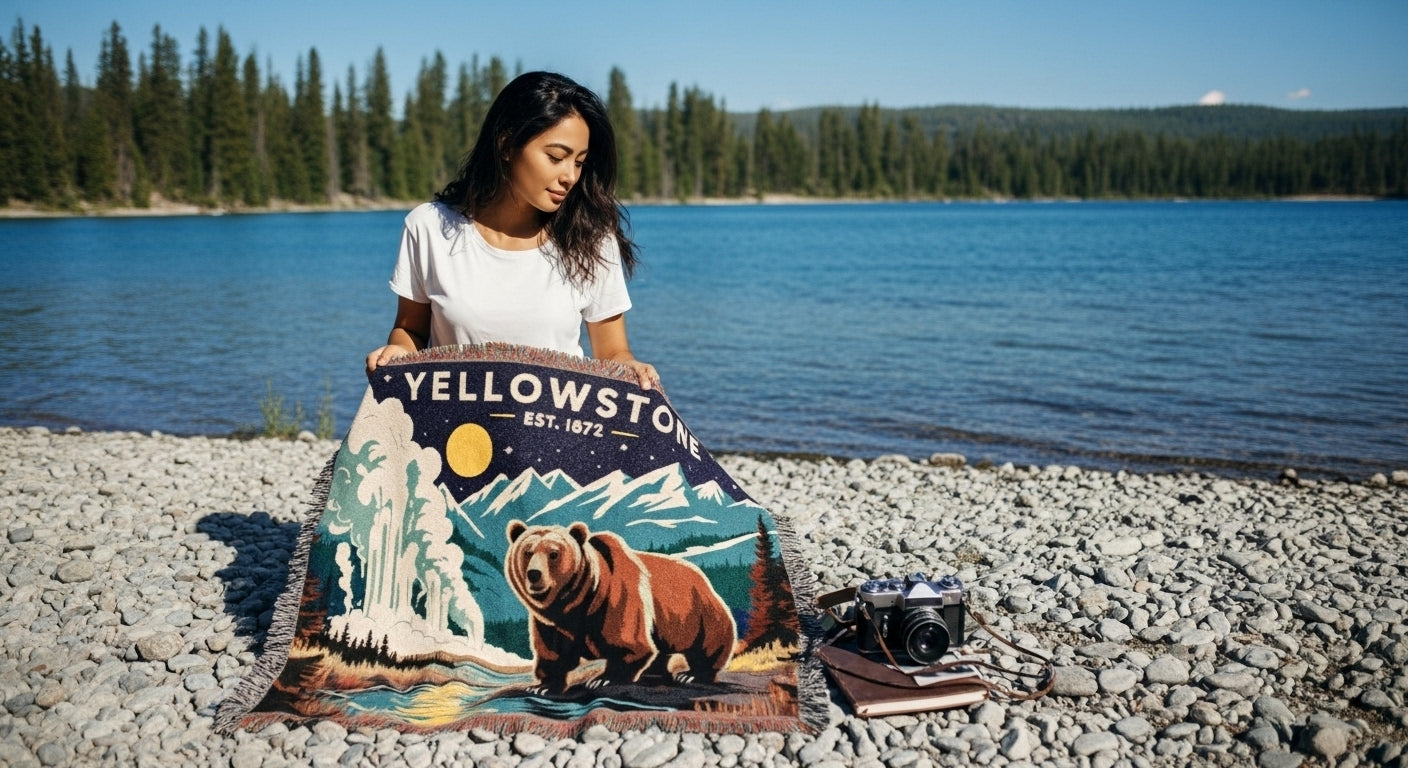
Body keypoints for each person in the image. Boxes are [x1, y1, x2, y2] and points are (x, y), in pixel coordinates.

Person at [366, 71, 658, 390]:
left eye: (579, 162)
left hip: (554, 420)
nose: (570, 176)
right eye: (556, 157)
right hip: (453, 421)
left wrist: (631, 367)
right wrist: (399, 351)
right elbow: (411, 330)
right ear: (506, 145)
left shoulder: (592, 239)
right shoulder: (429, 227)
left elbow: (612, 353)